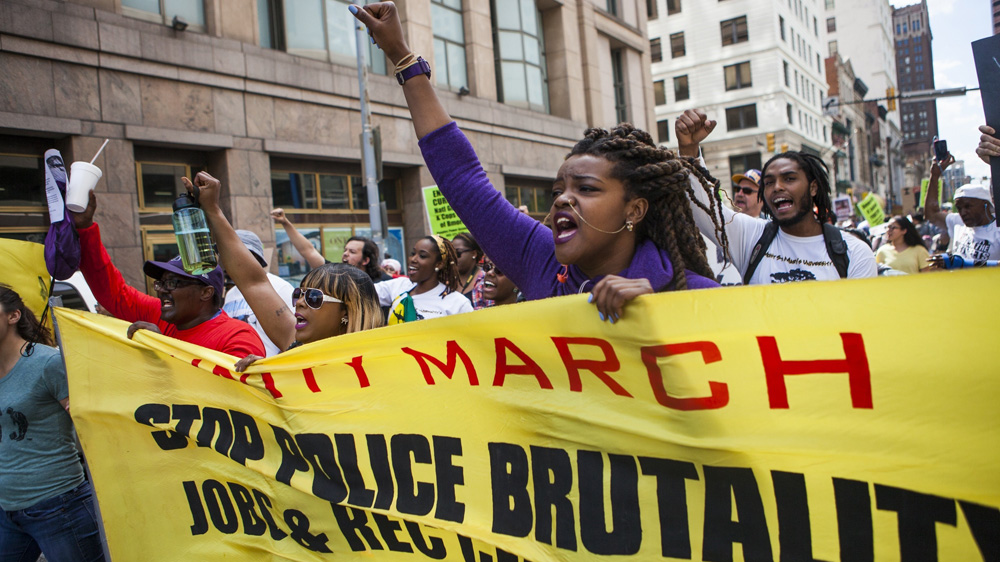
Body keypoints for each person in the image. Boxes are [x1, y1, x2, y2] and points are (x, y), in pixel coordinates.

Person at [350, 3, 718, 323]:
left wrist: (661, 313)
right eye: (558, 191)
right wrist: (401, 56)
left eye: (586, 189)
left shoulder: (695, 295)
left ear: (634, 210)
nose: (562, 200)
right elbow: (462, 178)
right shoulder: (541, 260)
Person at [186, 173, 383, 372]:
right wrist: (273, 370)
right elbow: (252, 283)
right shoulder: (294, 345)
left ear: (347, 312)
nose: (299, 302)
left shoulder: (382, 364)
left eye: (314, 297)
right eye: (299, 293)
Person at [675, 109, 877, 284]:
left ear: (813, 188)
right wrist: (689, 149)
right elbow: (704, 208)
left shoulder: (854, 253)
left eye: (789, 179)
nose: (777, 187)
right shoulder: (752, 238)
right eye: (769, 182)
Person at [70, 192, 264, 357]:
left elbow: (230, 390)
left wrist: (162, 350)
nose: (161, 290)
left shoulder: (237, 337)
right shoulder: (160, 314)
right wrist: (84, 228)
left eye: (172, 283)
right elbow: (114, 293)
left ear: (206, 292)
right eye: (160, 283)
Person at [0, 285, 105, 561]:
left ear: (13, 316)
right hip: (7, 509)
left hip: (59, 507)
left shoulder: (48, 363)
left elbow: (92, 426)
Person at [222, 229, 296, 357]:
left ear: (253, 256)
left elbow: (295, 338)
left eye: (232, 253)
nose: (226, 260)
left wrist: (272, 363)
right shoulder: (230, 294)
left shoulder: (279, 287)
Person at [376, 236, 473, 324]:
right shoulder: (399, 285)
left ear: (439, 264)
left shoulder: (458, 303)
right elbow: (367, 292)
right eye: (413, 253)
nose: (413, 259)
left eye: (422, 256)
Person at [924, 154, 999, 263]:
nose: (963, 212)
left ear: (985, 204)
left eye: (968, 206)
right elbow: (931, 214)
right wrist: (935, 176)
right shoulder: (958, 222)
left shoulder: (997, 230)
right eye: (959, 208)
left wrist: (958, 263)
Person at [451, 232, 491, 309]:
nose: (453, 258)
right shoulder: (447, 282)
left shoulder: (486, 281)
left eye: (457, 253)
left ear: (474, 253)